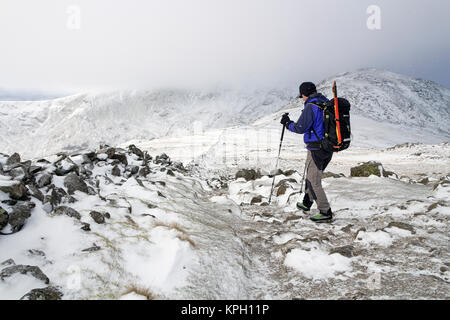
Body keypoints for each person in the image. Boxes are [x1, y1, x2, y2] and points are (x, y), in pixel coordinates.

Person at [280, 82, 333, 223]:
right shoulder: (326, 103)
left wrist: (287, 123)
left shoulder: (311, 106)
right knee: (312, 177)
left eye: (302, 96)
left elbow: (300, 127)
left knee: (314, 180)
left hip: (316, 148)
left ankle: (325, 211)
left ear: (304, 94)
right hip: (328, 147)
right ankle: (307, 202)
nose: (302, 98)